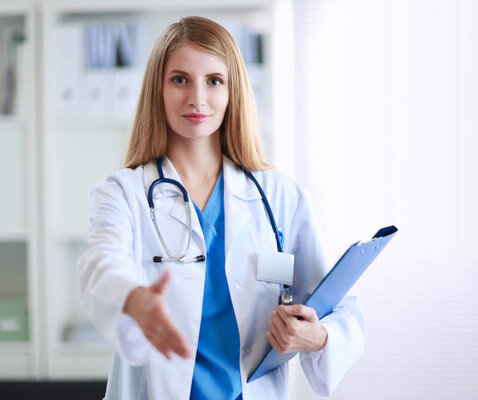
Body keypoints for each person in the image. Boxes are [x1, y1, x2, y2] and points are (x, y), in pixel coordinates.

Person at [77, 16, 365, 400]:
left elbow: (339, 306)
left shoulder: (280, 196)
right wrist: (132, 299)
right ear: (158, 90)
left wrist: (317, 336)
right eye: (180, 79)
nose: (197, 97)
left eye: (214, 80)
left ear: (233, 92)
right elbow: (101, 263)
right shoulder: (124, 193)